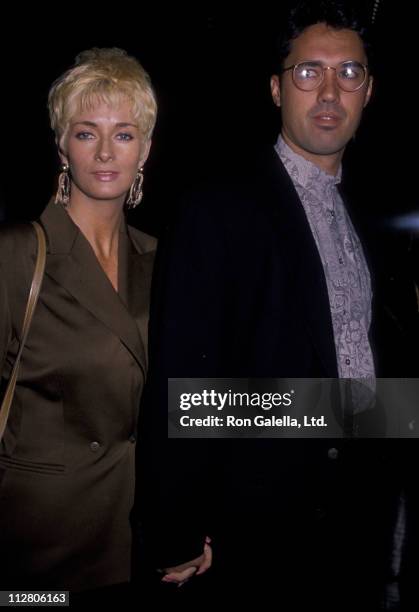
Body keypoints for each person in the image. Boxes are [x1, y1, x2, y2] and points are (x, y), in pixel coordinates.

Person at [139, 1, 418, 608]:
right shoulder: (217, 208)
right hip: (257, 534)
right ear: (275, 88)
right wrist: (176, 528)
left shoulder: (368, 220)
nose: (328, 91)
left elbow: (373, 375)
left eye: (349, 74)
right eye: (307, 71)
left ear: (369, 93)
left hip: (362, 530)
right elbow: (187, 383)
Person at [0, 47, 158, 596]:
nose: (107, 152)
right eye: (87, 132)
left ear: (146, 149)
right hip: (38, 547)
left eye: (125, 133)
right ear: (63, 146)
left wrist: (193, 518)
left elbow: (184, 399)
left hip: (136, 538)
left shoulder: (162, 260)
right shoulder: (18, 254)